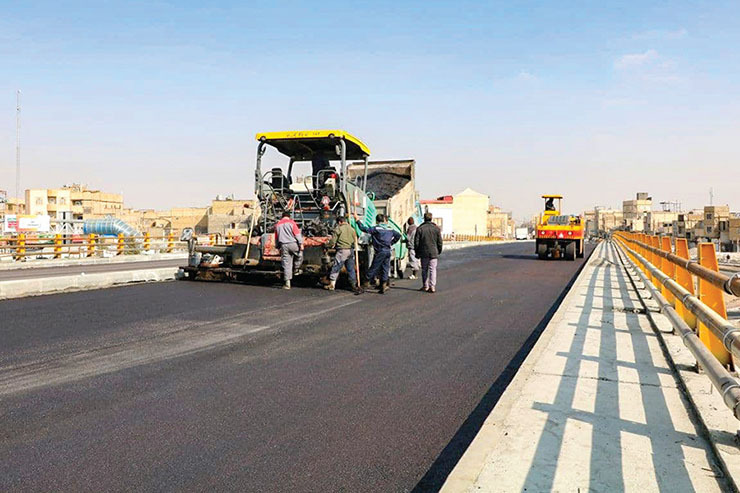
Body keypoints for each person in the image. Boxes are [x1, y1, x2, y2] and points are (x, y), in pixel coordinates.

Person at [353, 212, 401, 294]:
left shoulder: (376, 229)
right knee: (385, 268)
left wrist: (357, 220)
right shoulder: (390, 229)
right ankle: (383, 285)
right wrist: (391, 243)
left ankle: (364, 285)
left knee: (373, 268)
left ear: (377, 221)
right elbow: (398, 235)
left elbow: (364, 229)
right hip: (388, 251)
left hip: (380, 251)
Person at [325, 215, 360, 293]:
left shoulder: (338, 229)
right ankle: (353, 284)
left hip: (342, 251)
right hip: (350, 250)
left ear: (339, 222)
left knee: (336, 266)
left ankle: (332, 284)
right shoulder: (352, 229)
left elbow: (333, 241)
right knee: (350, 268)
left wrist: (328, 245)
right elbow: (355, 239)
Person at [414, 212, 443, 293]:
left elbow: (416, 242)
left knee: (424, 269)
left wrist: (417, 252)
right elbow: (439, 241)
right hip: (433, 252)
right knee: (432, 269)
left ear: (424, 218)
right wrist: (439, 250)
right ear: (431, 218)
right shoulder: (436, 229)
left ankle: (425, 286)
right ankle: (432, 286)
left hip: (424, 252)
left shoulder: (420, 229)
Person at [274, 211, 304, 290]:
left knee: (287, 264)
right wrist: (301, 244)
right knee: (299, 255)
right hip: (293, 244)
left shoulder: (278, 225)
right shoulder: (292, 223)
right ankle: (296, 269)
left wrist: (277, 246)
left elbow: (276, 237)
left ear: (282, 216)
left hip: (283, 245)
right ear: (289, 216)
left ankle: (287, 283)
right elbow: (297, 234)